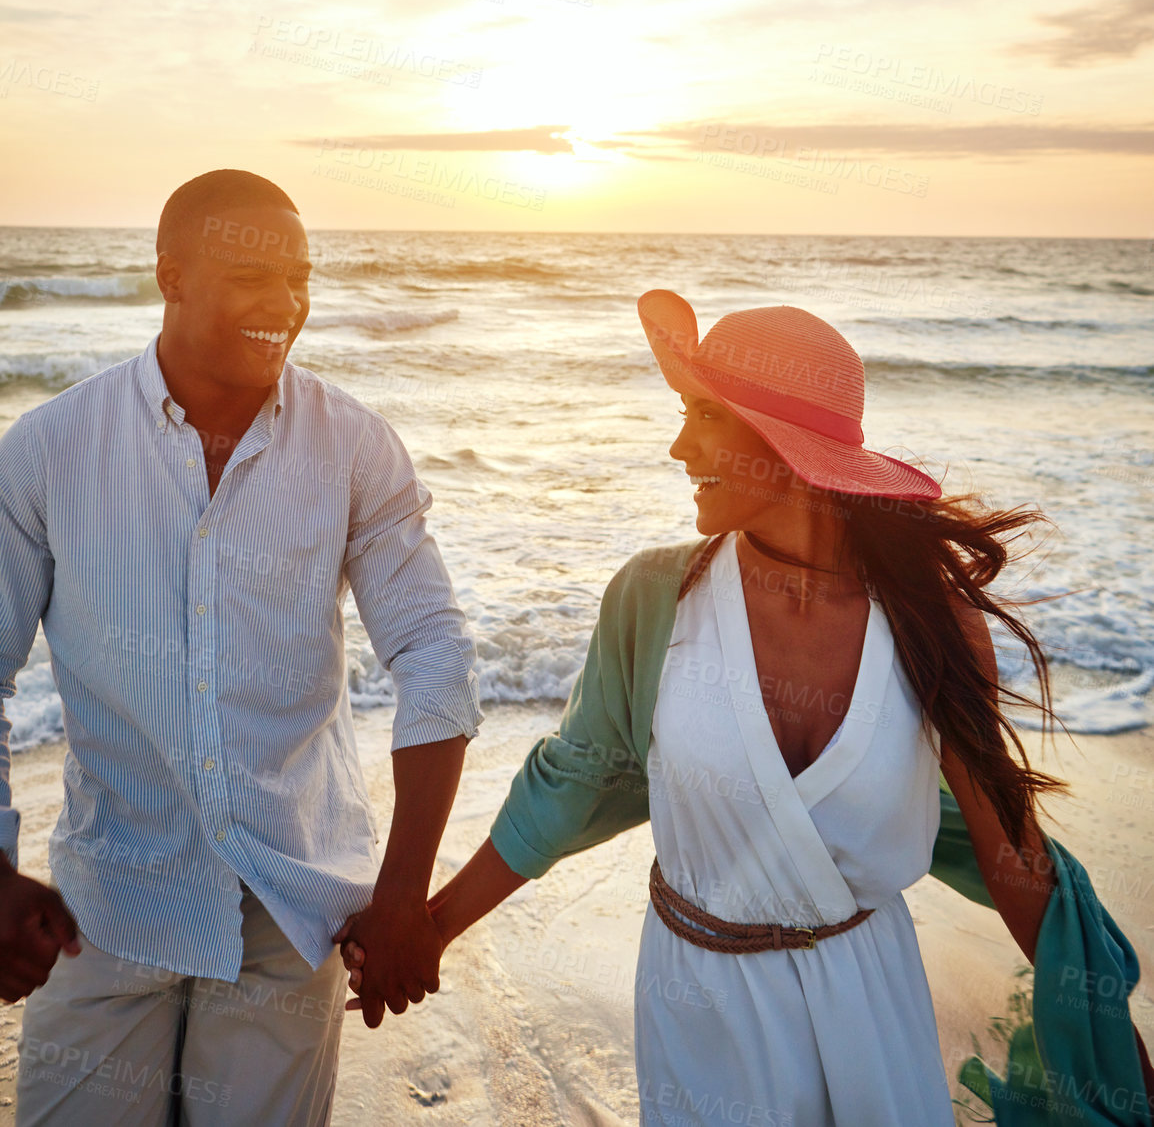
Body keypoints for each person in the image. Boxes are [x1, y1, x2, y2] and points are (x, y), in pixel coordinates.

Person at [342, 288, 1116, 1125]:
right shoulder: (656, 598)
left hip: (871, 1000)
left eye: (705, 415)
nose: (679, 446)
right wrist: (429, 928)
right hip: (698, 1006)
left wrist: (1115, 1052)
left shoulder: (931, 620)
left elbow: (1012, 852)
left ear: (783, 445)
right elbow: (571, 785)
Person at [0, 169, 481, 1125]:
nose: (285, 305)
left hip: (293, 905)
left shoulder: (354, 448)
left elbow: (431, 650)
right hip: (110, 901)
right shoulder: (49, 450)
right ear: (169, 276)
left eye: (300, 278)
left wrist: (402, 893)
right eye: (253, 275)